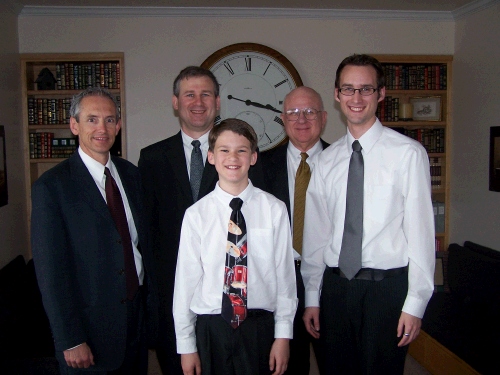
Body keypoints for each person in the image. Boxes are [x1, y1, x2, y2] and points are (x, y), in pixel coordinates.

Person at [301, 54, 435, 374]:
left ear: (381, 94)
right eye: (348, 89)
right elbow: (316, 236)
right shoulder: (324, 161)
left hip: (385, 290)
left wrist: (415, 304)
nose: (356, 98)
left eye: (366, 89)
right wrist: (311, 296)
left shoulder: (408, 155)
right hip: (335, 289)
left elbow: (420, 234)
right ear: (336, 95)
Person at [138, 66, 265, 374]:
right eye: (189, 94)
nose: (198, 102)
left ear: (218, 102)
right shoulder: (151, 158)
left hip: (229, 296)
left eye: (206, 94)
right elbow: (146, 231)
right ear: (175, 102)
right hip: (174, 291)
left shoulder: (238, 156)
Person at [31, 87, 156, 375]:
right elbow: (51, 272)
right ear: (74, 125)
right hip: (88, 331)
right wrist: (70, 338)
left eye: (110, 120)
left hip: (135, 322)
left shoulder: (131, 174)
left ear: (119, 125)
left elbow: (138, 245)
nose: (102, 128)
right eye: (92, 119)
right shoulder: (52, 187)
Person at [173, 118, 297, 375]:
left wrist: (283, 336)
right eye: (224, 150)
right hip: (211, 327)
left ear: (253, 157)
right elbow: (185, 283)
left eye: (241, 150)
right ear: (210, 156)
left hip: (258, 326)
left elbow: (285, 278)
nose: (233, 157)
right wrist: (186, 346)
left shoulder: (274, 209)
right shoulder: (197, 214)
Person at [261, 86, 328, 375]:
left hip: (330, 282)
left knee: (335, 360)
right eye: (293, 113)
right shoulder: (260, 166)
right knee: (286, 366)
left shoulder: (344, 162)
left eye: (310, 112)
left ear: (324, 118)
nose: (302, 119)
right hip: (279, 281)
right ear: (283, 118)